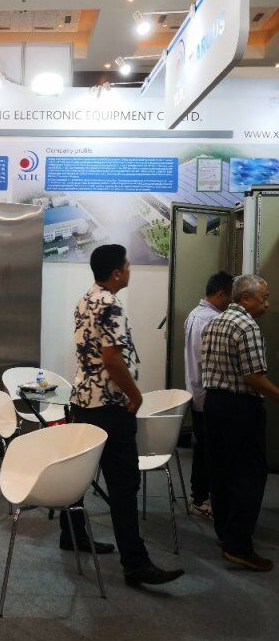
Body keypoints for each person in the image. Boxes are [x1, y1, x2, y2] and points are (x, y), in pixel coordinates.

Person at [66, 244, 184, 587]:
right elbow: (113, 359)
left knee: (81, 473)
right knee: (123, 483)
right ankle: (135, 563)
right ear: (116, 273)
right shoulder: (111, 304)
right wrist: (135, 396)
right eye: (128, 265)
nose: (131, 270)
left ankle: (71, 533)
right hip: (110, 406)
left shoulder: (86, 298)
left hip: (83, 400)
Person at [201, 274, 279, 572]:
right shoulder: (247, 326)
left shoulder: (214, 322)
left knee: (221, 471)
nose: (267, 304)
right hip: (240, 408)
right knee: (250, 476)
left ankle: (225, 533)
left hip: (214, 405)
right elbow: (253, 377)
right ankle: (238, 545)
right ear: (245, 298)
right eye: (264, 298)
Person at [184, 271, 233, 518]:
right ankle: (201, 498)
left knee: (203, 447)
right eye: (230, 297)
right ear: (221, 294)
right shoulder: (212, 320)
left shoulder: (195, 314)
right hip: (207, 393)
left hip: (196, 391)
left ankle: (200, 496)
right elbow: (210, 362)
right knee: (209, 450)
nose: (231, 303)